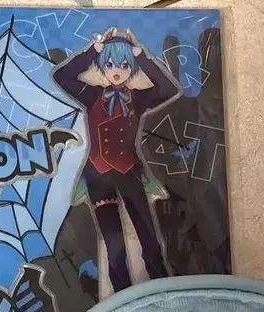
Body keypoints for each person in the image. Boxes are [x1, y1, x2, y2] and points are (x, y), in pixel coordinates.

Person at [52, 28, 180, 292]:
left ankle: (163, 294)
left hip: (130, 172)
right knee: (115, 248)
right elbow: (61, 76)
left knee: (150, 242)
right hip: (98, 176)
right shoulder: (91, 95)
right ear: (102, 66)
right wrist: (92, 51)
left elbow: (168, 88)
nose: (117, 71)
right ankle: (123, 302)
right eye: (110, 64)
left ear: (131, 67)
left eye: (124, 64)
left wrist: (142, 56)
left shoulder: (139, 99)